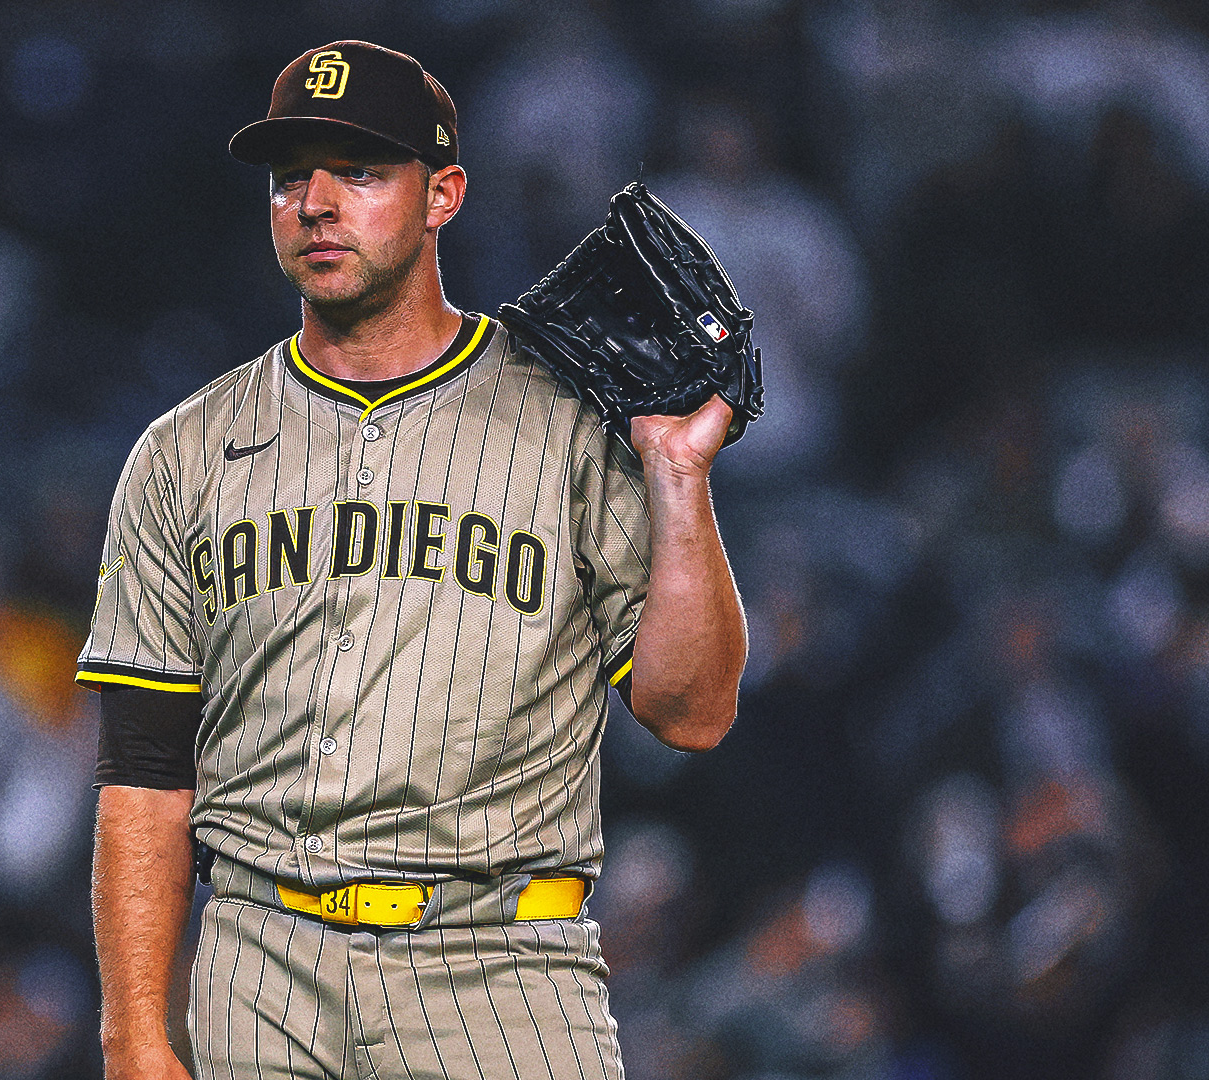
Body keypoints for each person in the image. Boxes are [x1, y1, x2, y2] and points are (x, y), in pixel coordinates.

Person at [77, 40, 747, 1080]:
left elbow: (693, 711)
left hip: (503, 967)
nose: (315, 204)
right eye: (289, 177)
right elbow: (143, 772)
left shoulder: (567, 427)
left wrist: (676, 474)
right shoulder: (182, 453)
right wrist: (132, 1032)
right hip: (258, 972)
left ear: (443, 195)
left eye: (359, 172)